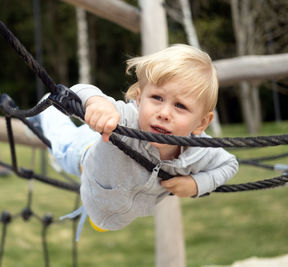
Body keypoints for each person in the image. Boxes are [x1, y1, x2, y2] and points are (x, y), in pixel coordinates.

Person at [37, 44, 238, 237]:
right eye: (157, 98)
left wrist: (197, 184)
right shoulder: (124, 119)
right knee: (60, 139)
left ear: (201, 123)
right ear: (140, 99)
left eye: (180, 106)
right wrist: (97, 102)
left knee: (103, 211)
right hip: (84, 152)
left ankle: (100, 211)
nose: (164, 113)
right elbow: (77, 92)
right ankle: (44, 110)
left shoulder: (200, 151)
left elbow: (229, 164)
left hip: (111, 203)